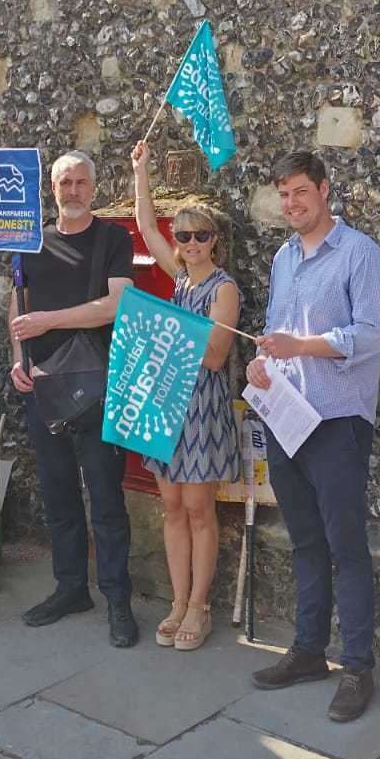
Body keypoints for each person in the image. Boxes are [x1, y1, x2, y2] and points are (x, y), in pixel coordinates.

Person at [246, 150, 380, 722]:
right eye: (283, 195)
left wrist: (301, 347)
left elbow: (375, 333)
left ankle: (357, 666)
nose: (291, 204)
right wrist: (264, 364)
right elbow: (279, 335)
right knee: (305, 541)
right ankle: (309, 651)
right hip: (285, 417)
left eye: (300, 192)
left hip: (337, 421)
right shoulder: (284, 258)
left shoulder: (359, 253)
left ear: (325, 191)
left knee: (346, 546)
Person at [8, 150, 138, 647]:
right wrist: (18, 356)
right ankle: (70, 587)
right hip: (41, 384)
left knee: (106, 498)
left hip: (97, 386)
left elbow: (115, 305)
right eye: (66, 182)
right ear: (54, 188)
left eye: (83, 181)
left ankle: (117, 599)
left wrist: (48, 321)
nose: (75, 189)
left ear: (94, 185)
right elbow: (15, 307)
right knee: (58, 493)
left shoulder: (112, 238)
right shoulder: (29, 240)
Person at [131, 142, 240, 651]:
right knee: (171, 507)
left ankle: (200, 606)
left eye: (200, 235)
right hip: (167, 401)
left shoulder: (224, 289)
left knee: (199, 510)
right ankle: (178, 601)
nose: (190, 242)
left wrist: (168, 333)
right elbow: (146, 226)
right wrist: (141, 172)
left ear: (214, 241)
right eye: (185, 235)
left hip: (200, 409)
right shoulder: (178, 281)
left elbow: (216, 355)